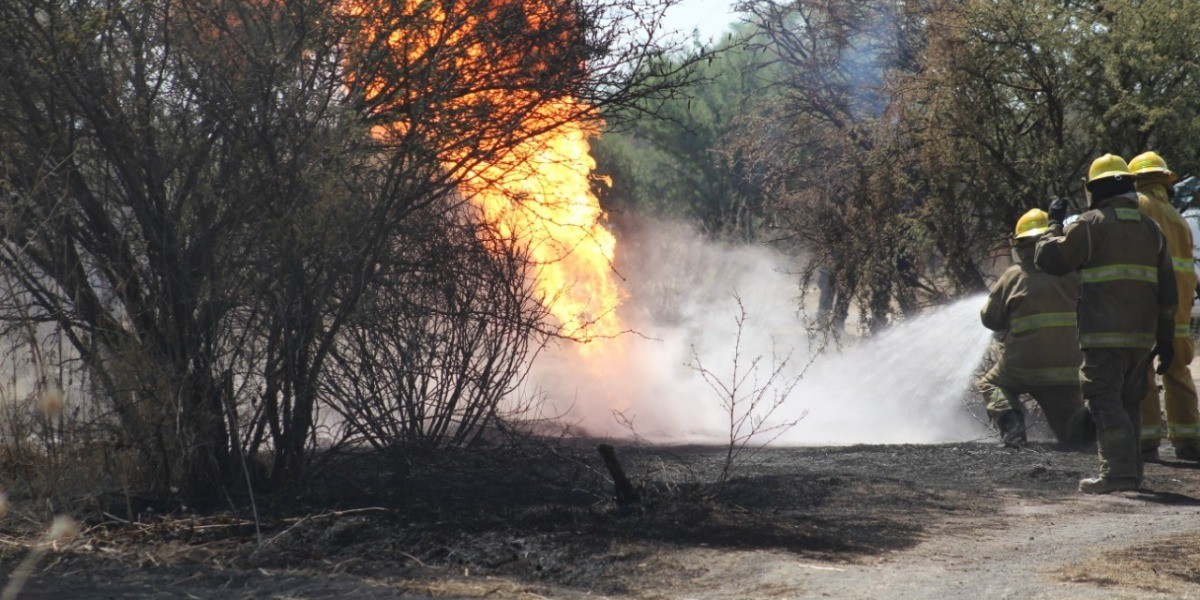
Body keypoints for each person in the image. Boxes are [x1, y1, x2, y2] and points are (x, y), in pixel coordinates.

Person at [1035, 154, 1177, 494]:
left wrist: (1054, 224)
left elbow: (1050, 260)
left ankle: (1117, 473)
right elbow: (1169, 292)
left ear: (1092, 190)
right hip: (1142, 337)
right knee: (1129, 400)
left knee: (1102, 397)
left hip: (1103, 334)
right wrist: (1167, 340)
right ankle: (1133, 471)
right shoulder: (1151, 229)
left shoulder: (1091, 224)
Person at [979, 209, 1089, 449]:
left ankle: (1013, 428)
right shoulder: (1075, 274)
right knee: (1072, 431)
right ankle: (1090, 423)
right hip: (1067, 370)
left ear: (1021, 245)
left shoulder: (1013, 276)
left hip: (1021, 368)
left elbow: (990, 320)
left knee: (991, 383)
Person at [1131, 151, 1200, 462]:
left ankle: (1147, 442)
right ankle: (1189, 441)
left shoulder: (1136, 206)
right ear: (1164, 180)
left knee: (1141, 370)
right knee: (1178, 372)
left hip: (1147, 306)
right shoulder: (1177, 218)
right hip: (1180, 310)